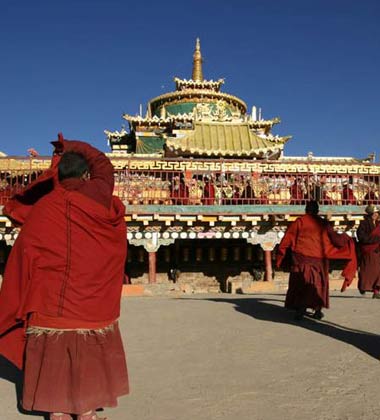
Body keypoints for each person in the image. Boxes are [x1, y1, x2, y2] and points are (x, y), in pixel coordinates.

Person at [0, 134, 129, 420]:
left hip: (49, 304)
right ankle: (85, 411)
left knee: (53, 354)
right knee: (87, 352)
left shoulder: (44, 208)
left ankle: (56, 411)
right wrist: (69, 145)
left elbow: (25, 255)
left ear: (57, 174)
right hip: (90, 303)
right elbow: (103, 164)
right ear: (86, 174)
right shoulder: (98, 194)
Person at [276, 200, 357, 320]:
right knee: (319, 283)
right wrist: (346, 238)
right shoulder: (323, 223)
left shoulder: (299, 222)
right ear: (317, 210)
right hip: (319, 259)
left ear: (306, 210)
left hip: (301, 259)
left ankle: (300, 309)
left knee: (300, 283)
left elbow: (286, 240)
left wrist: (281, 255)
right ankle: (317, 310)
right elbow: (336, 240)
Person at [356, 204, 380, 298]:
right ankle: (363, 286)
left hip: (377, 250)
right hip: (368, 251)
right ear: (370, 214)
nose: (376, 215)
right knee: (367, 272)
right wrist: (376, 239)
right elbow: (361, 237)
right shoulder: (364, 224)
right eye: (374, 213)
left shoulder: (378, 224)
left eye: (377, 213)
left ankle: (376, 291)